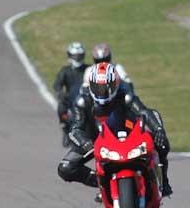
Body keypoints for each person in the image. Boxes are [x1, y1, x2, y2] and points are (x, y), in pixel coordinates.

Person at [58, 62, 172, 198]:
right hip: (94, 140)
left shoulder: (125, 96)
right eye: (98, 88)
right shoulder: (82, 102)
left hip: (125, 135)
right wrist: (86, 143)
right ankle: (102, 184)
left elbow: (145, 112)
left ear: (115, 85)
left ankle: (164, 181)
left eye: (107, 88)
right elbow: (75, 129)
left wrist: (158, 129)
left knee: (162, 142)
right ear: (90, 86)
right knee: (66, 168)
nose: (103, 92)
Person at [53, 42, 89, 147]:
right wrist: (60, 93)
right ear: (70, 56)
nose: (77, 58)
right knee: (61, 107)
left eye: (79, 56)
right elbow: (57, 85)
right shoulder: (65, 71)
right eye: (75, 56)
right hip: (70, 99)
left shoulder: (88, 69)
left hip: (86, 98)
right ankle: (65, 129)